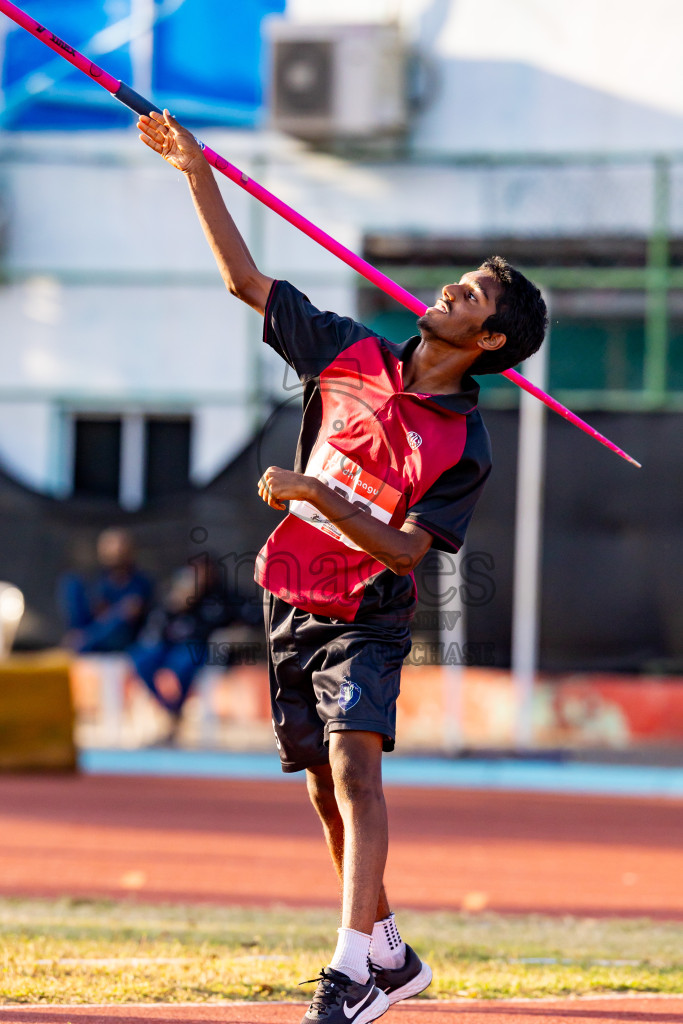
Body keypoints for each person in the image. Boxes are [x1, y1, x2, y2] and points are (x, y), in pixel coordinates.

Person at [137, 110, 548, 1024]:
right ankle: (390, 952)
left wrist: (317, 495)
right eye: (462, 283)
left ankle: (350, 974)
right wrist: (195, 170)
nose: (451, 291)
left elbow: (407, 548)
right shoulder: (347, 353)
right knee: (325, 792)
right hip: (291, 594)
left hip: (368, 611)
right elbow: (245, 281)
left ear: (488, 343)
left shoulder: (461, 441)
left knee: (356, 776)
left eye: (472, 296)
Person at [128, 553, 260, 740]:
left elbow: (254, 616)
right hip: (169, 646)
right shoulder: (180, 596)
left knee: (182, 664)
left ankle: (173, 709)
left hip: (201, 648)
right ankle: (170, 708)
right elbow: (158, 625)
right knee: (141, 658)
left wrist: (236, 631)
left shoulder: (224, 596)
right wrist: (176, 605)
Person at [59, 527, 152, 653]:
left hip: (128, 654)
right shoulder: (87, 584)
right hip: (90, 654)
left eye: (122, 545)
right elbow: (78, 633)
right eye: (109, 545)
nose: (116, 550)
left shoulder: (141, 586)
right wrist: (119, 614)